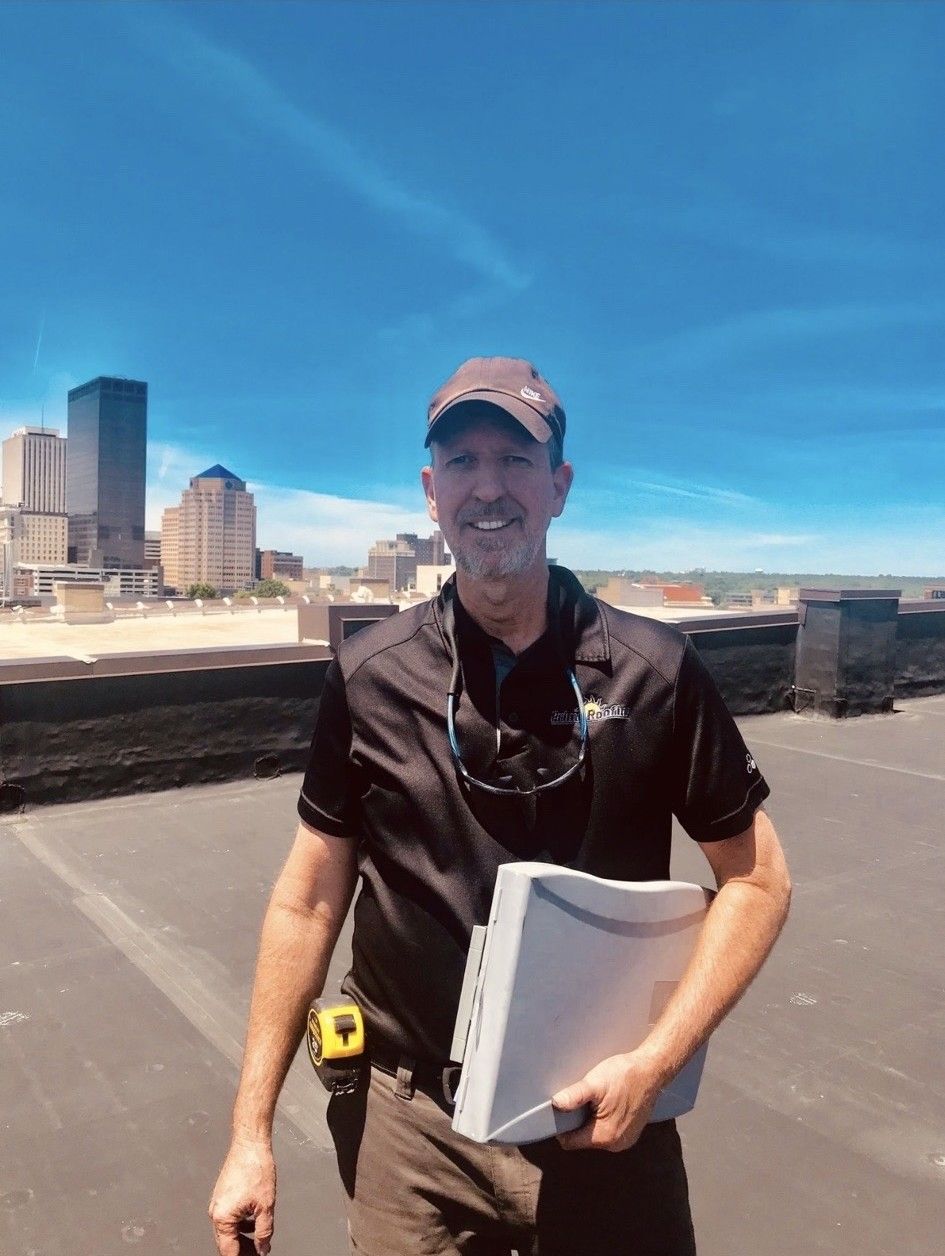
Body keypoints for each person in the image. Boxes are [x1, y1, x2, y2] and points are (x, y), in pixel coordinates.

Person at [209, 356, 791, 1256]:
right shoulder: (371, 674)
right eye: (463, 461)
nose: (489, 487)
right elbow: (308, 898)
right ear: (429, 491)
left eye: (516, 460)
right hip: (412, 1134)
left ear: (558, 487)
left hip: (602, 1118)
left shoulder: (655, 670)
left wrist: (658, 1062)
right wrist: (250, 1136)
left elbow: (756, 882)